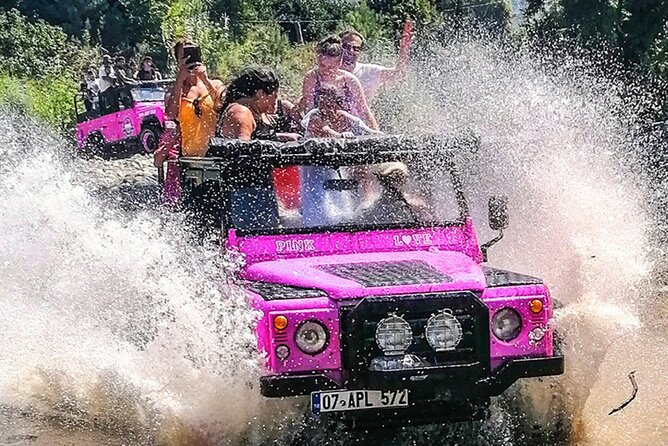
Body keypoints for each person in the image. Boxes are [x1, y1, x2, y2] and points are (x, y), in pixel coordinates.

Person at [300, 35, 378, 131]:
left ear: (340, 62)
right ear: (318, 60)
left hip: (349, 127)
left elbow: (364, 111)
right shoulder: (312, 77)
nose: (326, 70)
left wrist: (376, 133)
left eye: (331, 67)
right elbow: (309, 110)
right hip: (321, 127)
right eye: (322, 65)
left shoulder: (349, 80)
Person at [165, 41, 225, 157]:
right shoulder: (174, 90)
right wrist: (179, 80)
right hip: (189, 157)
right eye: (184, 57)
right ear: (178, 61)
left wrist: (205, 79)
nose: (188, 60)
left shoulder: (215, 84)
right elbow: (171, 114)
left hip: (216, 153)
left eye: (192, 55)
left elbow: (222, 107)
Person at [218, 67, 300, 142]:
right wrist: (278, 137)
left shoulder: (251, 112)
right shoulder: (241, 113)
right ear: (261, 93)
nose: (274, 103)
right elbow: (243, 149)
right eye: (274, 97)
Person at [339, 23, 413, 102]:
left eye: (356, 48)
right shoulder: (327, 70)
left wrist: (404, 51)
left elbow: (398, 74)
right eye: (346, 46)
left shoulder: (369, 72)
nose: (350, 51)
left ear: (361, 52)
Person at [302, 84, 382, 138]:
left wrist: (375, 133)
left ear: (336, 103)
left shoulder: (341, 114)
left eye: (329, 105)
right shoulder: (315, 115)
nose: (325, 108)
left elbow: (359, 124)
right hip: (313, 150)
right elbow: (326, 130)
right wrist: (341, 135)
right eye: (321, 103)